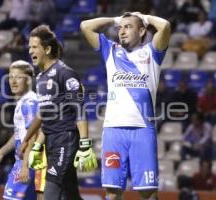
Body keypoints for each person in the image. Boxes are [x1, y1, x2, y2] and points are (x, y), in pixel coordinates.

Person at [80, 11, 171, 200]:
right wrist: (115, 19)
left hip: (143, 130)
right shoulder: (110, 50)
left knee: (148, 192)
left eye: (128, 27)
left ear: (142, 31)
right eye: (120, 28)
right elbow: (85, 26)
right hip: (113, 130)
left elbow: (165, 26)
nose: (122, 31)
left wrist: (144, 17)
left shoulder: (152, 52)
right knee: (112, 192)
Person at [18, 25, 97, 200]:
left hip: (66, 138)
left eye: (34, 47)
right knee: (70, 192)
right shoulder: (40, 78)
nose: (30, 51)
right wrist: (29, 140)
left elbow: (79, 108)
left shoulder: (65, 73)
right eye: (29, 47)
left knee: (51, 189)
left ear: (47, 49)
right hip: (51, 140)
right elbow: (43, 113)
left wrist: (85, 143)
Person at [0, 60, 39, 200]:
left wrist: (25, 166)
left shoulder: (30, 103)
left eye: (18, 77)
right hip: (27, 161)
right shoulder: (22, 101)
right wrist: (0, 153)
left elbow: (33, 136)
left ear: (28, 80)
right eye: (11, 77)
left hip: (28, 162)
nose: (13, 81)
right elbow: (19, 134)